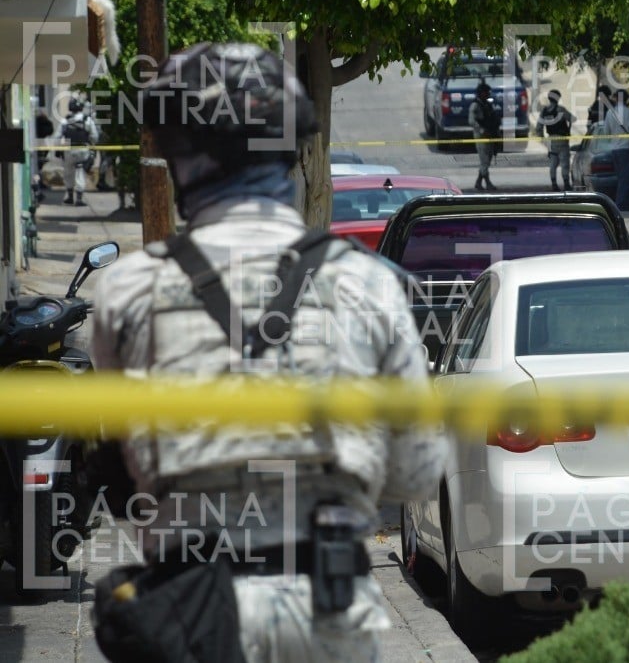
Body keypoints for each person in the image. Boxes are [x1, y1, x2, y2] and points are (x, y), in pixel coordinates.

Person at [90, 42, 449, 663]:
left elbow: (120, 471)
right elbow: (417, 473)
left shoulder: (128, 289)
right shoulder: (368, 283)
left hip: (187, 618)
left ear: (182, 161)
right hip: (326, 614)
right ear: (292, 154)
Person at [603, 87, 629, 210]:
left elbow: (606, 131)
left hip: (614, 149)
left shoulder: (609, 112)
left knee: (621, 177)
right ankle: (620, 204)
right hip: (625, 149)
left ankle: (624, 203)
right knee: (625, 178)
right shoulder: (628, 112)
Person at [61, 97, 98, 206]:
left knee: (68, 173)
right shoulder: (87, 120)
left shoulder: (65, 120)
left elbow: (58, 135)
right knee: (80, 172)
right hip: (82, 150)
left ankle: (70, 196)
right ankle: (79, 199)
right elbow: (94, 136)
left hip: (68, 150)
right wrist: (91, 144)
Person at [538, 89, 574, 191]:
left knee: (553, 163)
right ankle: (566, 184)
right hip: (561, 139)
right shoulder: (560, 110)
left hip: (550, 139)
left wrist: (543, 140)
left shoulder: (544, 111)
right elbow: (572, 118)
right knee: (564, 162)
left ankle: (554, 184)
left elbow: (538, 127)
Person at [468, 81, 500, 191]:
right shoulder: (475, 105)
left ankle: (478, 182)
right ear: (481, 93)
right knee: (484, 161)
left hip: (489, 134)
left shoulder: (487, 104)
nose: (488, 94)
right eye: (486, 92)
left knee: (488, 159)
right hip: (481, 136)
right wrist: (481, 130)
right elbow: (471, 121)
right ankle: (488, 183)